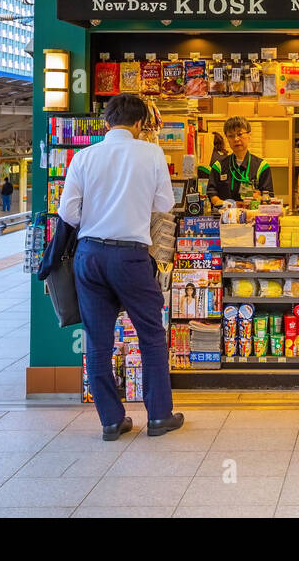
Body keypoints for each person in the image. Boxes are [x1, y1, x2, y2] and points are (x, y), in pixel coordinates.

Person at [57, 93, 184, 441]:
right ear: (141, 123)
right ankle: (159, 417)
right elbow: (164, 203)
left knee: (98, 342)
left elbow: (68, 213)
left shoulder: (84, 157)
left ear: (106, 122)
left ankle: (111, 421)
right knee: (151, 336)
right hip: (131, 256)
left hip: (90, 256)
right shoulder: (152, 153)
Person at [206, 116, 274, 210]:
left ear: (249, 135)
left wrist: (258, 198)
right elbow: (212, 194)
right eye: (231, 136)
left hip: (252, 218)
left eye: (239, 134)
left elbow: (268, 196)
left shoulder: (262, 166)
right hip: (225, 218)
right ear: (227, 138)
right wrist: (227, 205)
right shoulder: (218, 166)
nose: (236, 139)